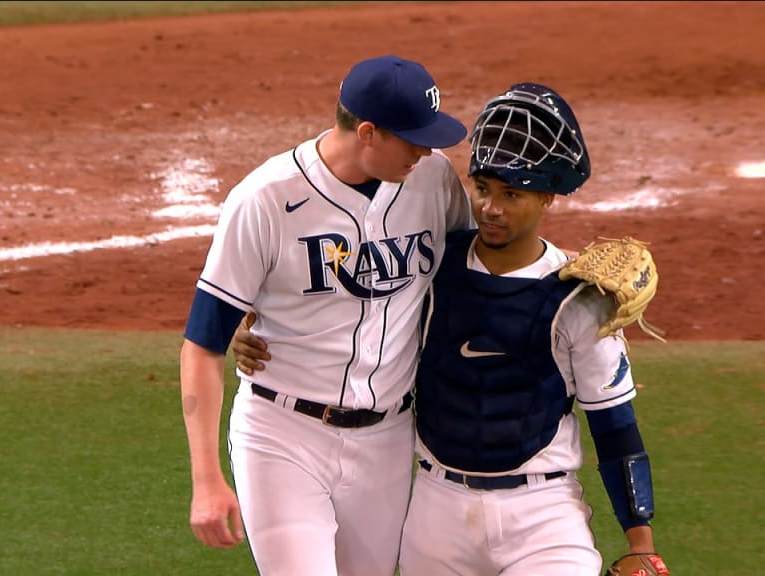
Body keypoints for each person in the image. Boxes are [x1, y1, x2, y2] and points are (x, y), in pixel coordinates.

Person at [235, 83, 668, 575]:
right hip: (436, 512)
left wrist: (641, 542)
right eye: (483, 189)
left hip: (543, 515)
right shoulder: (430, 268)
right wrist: (245, 318)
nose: (492, 208)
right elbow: (345, 299)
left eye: (512, 194)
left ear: (547, 197)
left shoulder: (579, 300)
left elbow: (615, 426)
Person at [178, 54, 472, 576]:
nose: (426, 150)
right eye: (412, 139)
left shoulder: (432, 181)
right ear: (367, 133)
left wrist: (560, 277)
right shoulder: (264, 201)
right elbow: (203, 344)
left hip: (388, 438)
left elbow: (472, 279)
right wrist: (206, 480)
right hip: (283, 437)